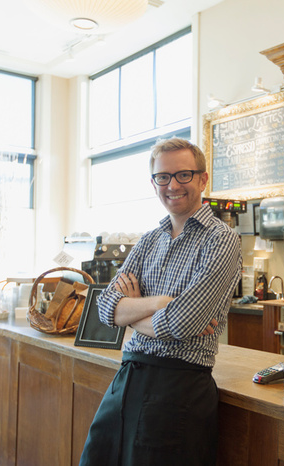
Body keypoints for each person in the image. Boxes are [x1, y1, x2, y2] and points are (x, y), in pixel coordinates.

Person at [79, 137, 242, 466]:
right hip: (127, 379)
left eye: (183, 175)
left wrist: (133, 312)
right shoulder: (150, 239)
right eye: (163, 177)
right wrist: (160, 304)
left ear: (202, 178)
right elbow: (106, 307)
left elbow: (181, 323)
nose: (172, 185)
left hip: (178, 389)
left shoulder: (222, 240)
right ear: (153, 183)